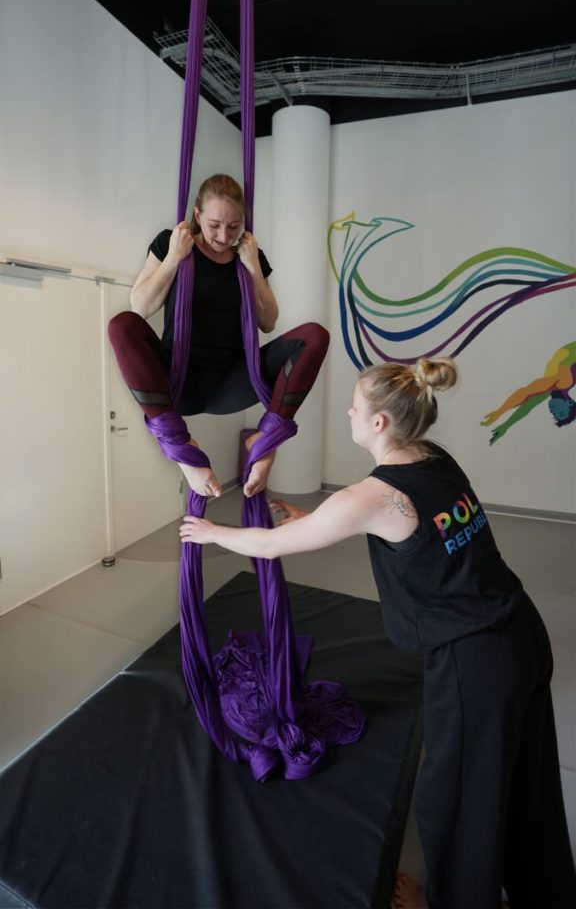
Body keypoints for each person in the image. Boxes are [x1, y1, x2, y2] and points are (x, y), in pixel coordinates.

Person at [180, 357, 576, 909]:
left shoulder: (368, 495)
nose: (348, 411)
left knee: (453, 802)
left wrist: (210, 532)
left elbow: (268, 546)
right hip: (521, 631)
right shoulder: (434, 460)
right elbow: (398, 528)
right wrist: (306, 516)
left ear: (379, 424)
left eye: (355, 406)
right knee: (526, 785)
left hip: (476, 661)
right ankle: (544, 892)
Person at [108, 174, 329, 498]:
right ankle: (182, 449)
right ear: (197, 216)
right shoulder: (170, 243)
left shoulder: (250, 256)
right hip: (178, 378)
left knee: (315, 335)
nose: (224, 236)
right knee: (121, 325)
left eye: (234, 226)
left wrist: (253, 268)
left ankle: (266, 441)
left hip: (234, 380)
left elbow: (268, 322)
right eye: (214, 225)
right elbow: (140, 306)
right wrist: (173, 257)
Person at [480, 340, 576, 443]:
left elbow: (527, 406)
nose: (553, 411)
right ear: (569, 402)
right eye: (560, 412)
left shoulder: (553, 388)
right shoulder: (564, 382)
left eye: (554, 414)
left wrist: (506, 425)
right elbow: (525, 392)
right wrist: (499, 412)